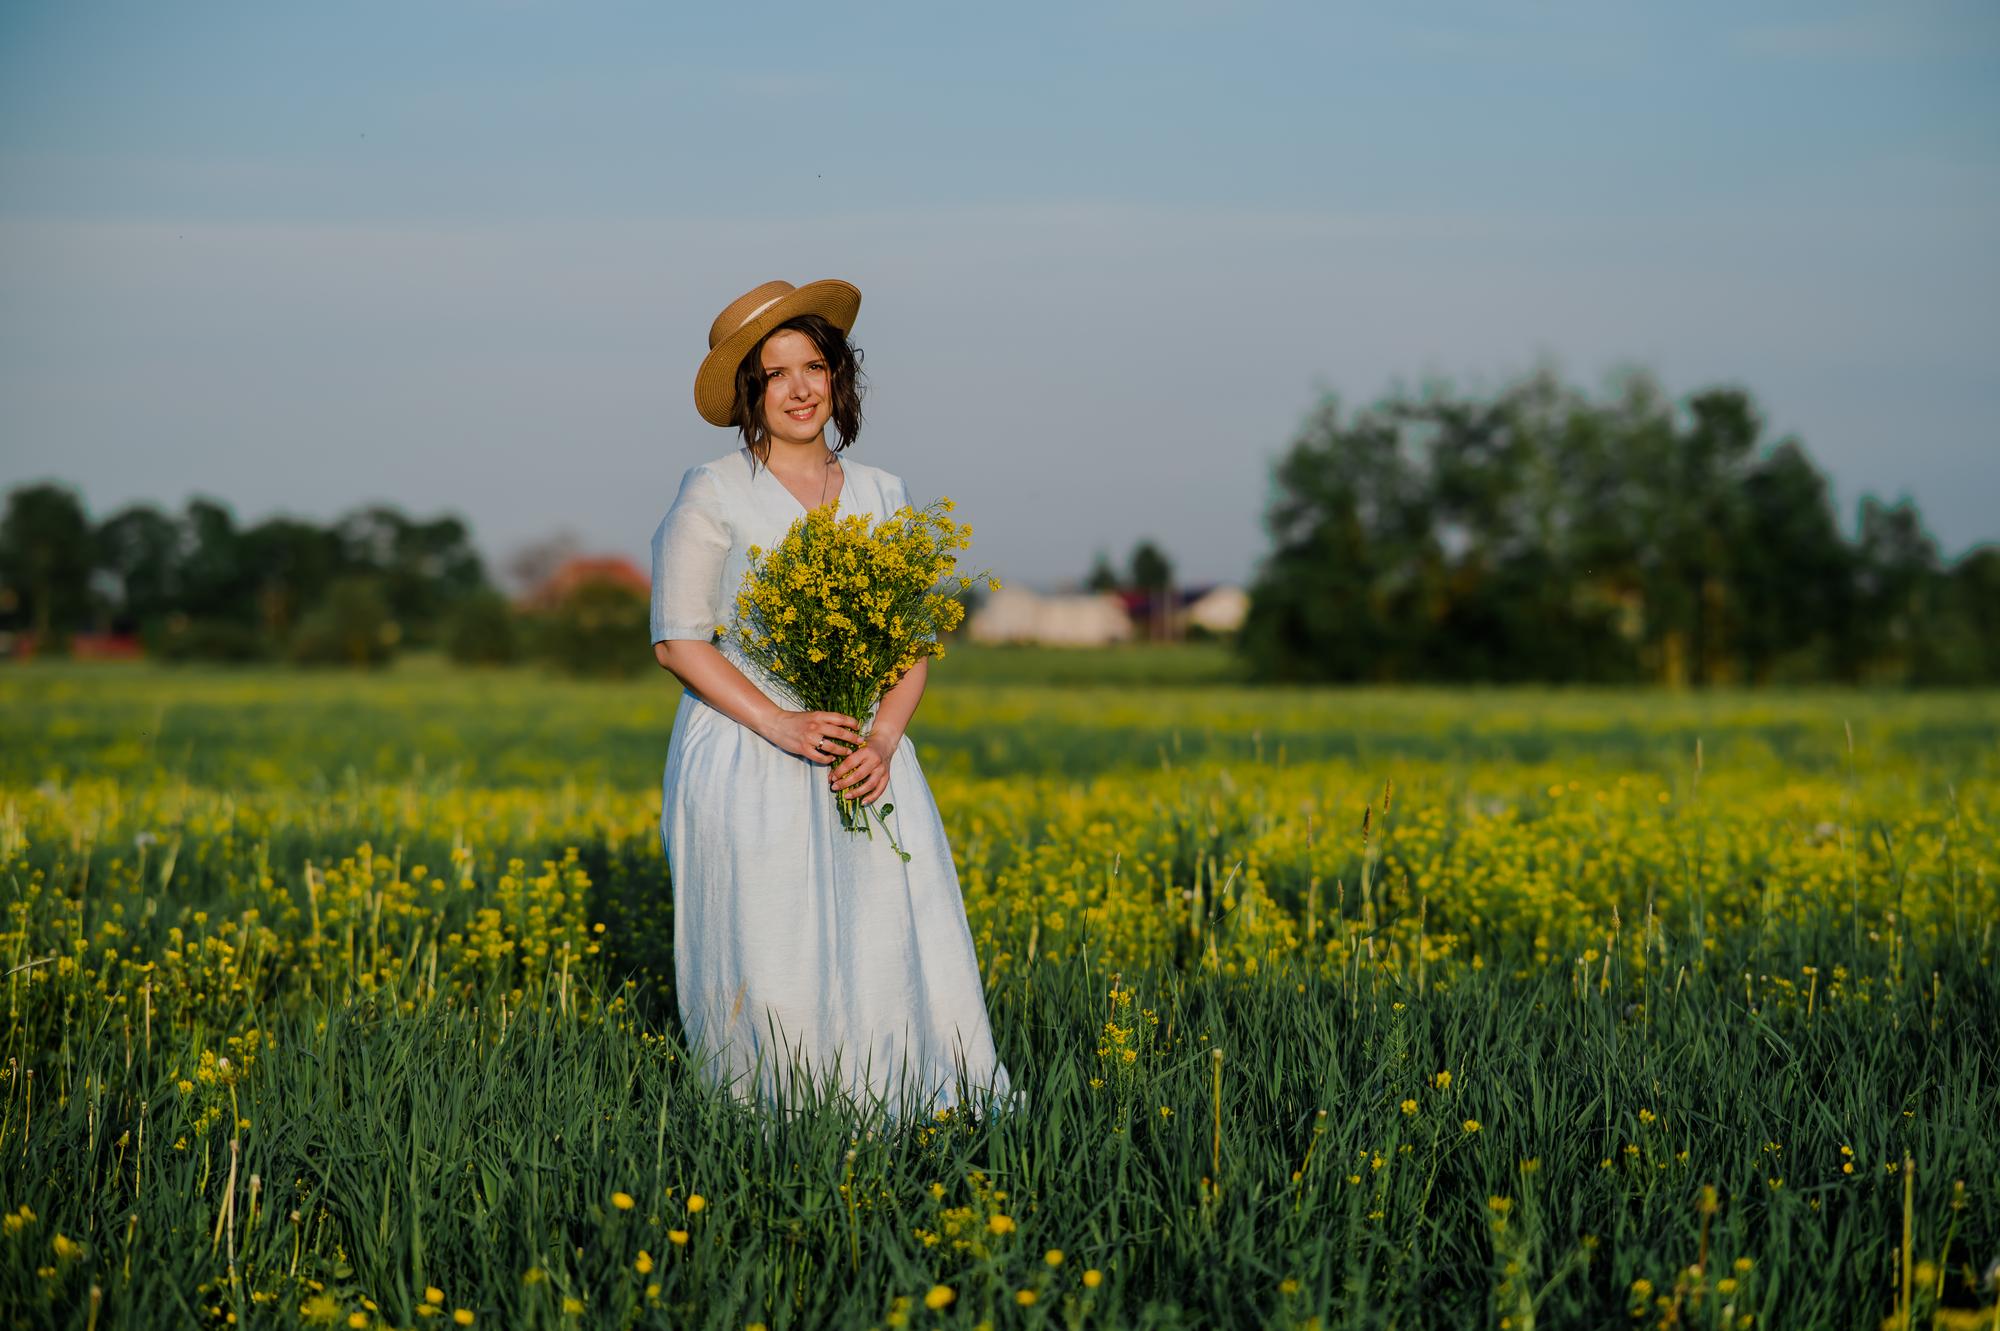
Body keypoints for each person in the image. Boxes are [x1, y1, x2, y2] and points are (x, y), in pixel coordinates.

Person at [648, 278, 1017, 1127]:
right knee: (770, 942)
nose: (800, 388)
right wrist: (781, 721)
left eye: (813, 365)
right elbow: (677, 639)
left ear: (839, 376)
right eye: (775, 374)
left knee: (884, 930)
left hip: (865, 751)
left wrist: (883, 738)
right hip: (750, 744)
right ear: (750, 393)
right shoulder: (712, 491)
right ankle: (776, 1121)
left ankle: (900, 1108)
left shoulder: (884, 493)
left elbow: (913, 642)